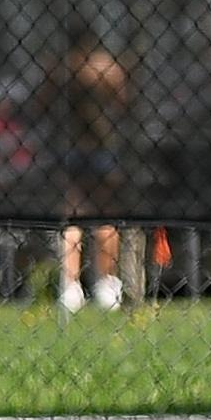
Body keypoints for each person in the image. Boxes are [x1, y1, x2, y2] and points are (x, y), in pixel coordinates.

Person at [41, 27, 132, 312]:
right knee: (104, 216)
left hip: (76, 145)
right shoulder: (106, 68)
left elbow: (43, 104)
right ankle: (104, 282)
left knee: (73, 217)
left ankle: (72, 285)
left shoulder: (60, 70)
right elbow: (123, 102)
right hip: (99, 144)